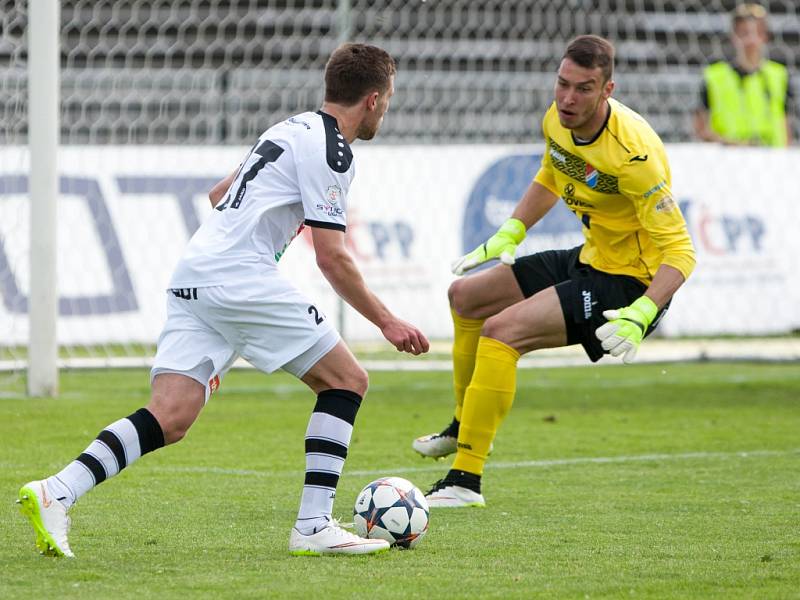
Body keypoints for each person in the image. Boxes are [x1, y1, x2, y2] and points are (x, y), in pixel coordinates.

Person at [18, 43, 429, 557]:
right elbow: (333, 258)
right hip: (238, 277)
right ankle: (313, 526)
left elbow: (219, 194)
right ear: (372, 100)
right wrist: (388, 322)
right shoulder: (333, 149)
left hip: (195, 272)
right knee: (347, 380)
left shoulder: (288, 128)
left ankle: (56, 491)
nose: (384, 111)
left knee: (171, 416)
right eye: (387, 101)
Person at [413, 35, 696, 508]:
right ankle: (465, 421)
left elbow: (682, 252)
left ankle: (466, 480)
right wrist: (513, 230)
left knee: (501, 332)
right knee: (465, 297)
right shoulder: (557, 118)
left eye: (583, 89)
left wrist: (645, 310)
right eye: (562, 84)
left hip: (629, 284)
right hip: (590, 256)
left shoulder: (635, 156)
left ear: (608, 90)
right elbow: (552, 172)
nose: (567, 98)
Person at [693, 3, 793, 146]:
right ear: (734, 36)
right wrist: (733, 143)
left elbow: (786, 126)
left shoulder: (780, 75)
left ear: (765, 36)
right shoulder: (714, 76)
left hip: (771, 159)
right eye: (744, 32)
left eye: (757, 32)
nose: (751, 39)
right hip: (728, 158)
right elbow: (700, 129)